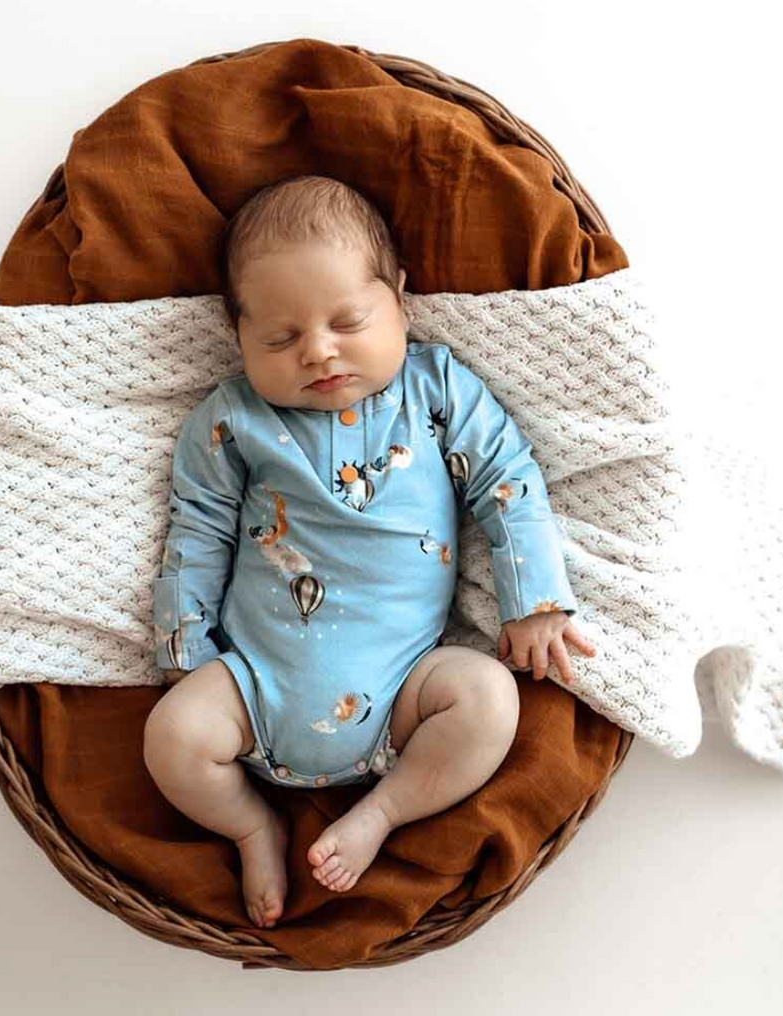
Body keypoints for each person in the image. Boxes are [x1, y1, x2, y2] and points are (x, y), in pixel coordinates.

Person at [142, 175, 598, 931]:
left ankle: (381, 812)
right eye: (280, 339)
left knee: (488, 698)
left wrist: (535, 600)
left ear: (401, 299)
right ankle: (252, 826)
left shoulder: (436, 388)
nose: (318, 352)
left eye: (348, 321)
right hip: (252, 687)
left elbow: (508, 478)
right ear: (238, 335)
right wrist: (184, 650)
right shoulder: (230, 421)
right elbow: (195, 532)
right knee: (171, 737)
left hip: (403, 697)